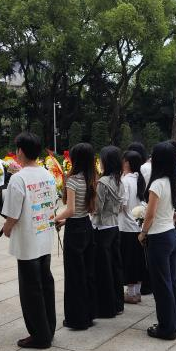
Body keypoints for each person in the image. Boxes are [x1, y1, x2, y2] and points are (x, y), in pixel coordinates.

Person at [1, 132, 57, 349]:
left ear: (21, 151)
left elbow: (13, 214)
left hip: (27, 242)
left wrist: (7, 229)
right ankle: (48, 329)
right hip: (44, 238)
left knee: (30, 290)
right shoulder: (48, 175)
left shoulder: (19, 178)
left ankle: (40, 336)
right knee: (45, 285)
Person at [53, 142, 97, 331]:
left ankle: (76, 319)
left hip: (75, 231)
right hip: (86, 226)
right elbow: (82, 210)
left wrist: (55, 218)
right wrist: (64, 221)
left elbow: (70, 210)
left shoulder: (72, 180)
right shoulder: (91, 178)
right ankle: (89, 314)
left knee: (74, 275)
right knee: (87, 273)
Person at [139, 142, 176, 340]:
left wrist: (143, 232)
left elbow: (150, 214)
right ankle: (174, 324)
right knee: (172, 282)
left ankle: (166, 328)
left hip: (159, 237)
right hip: (171, 234)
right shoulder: (172, 181)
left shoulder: (157, 184)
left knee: (162, 285)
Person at [92, 146, 124, 318]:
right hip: (114, 226)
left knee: (103, 269)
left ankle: (106, 307)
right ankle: (118, 304)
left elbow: (97, 208)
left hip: (102, 227)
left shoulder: (102, 183)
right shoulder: (119, 180)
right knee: (115, 266)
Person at [119, 150, 147, 304]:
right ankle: (137, 292)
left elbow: (122, 204)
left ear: (127, 163)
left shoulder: (125, 181)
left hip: (126, 226)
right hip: (138, 225)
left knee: (129, 261)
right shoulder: (139, 179)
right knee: (138, 260)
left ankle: (130, 294)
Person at [127, 142, 152, 295]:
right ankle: (145, 285)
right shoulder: (147, 169)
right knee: (143, 255)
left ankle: (135, 290)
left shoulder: (140, 171)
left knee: (135, 256)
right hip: (144, 210)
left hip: (134, 217)